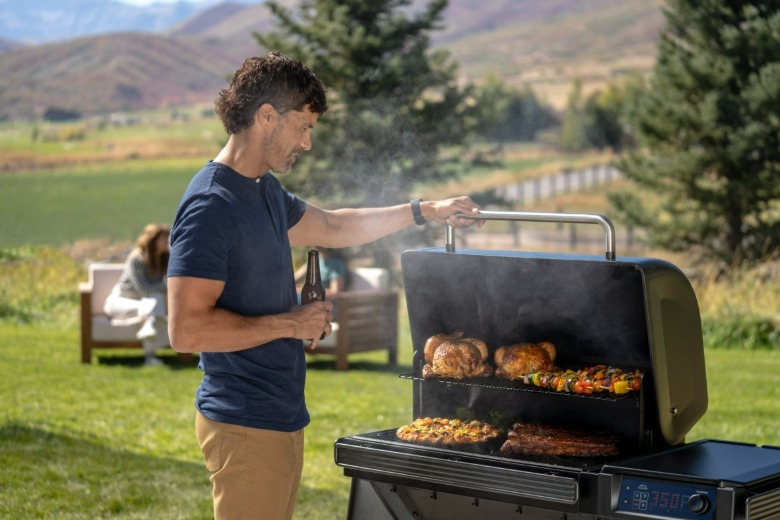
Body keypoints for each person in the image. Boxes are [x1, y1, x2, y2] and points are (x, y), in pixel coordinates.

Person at [166, 51, 484, 520]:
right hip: (244, 419)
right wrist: (288, 323)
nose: (307, 143)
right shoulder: (212, 205)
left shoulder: (262, 189)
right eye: (303, 127)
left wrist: (424, 211)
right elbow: (186, 331)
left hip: (276, 416)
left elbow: (333, 227)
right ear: (267, 116)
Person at [104, 223, 170, 366]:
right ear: (154, 240)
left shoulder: (164, 259)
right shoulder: (137, 259)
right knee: (153, 304)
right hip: (121, 303)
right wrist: (168, 287)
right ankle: (150, 357)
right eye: (165, 237)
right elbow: (143, 289)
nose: (168, 240)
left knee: (153, 305)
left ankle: (150, 356)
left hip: (147, 305)